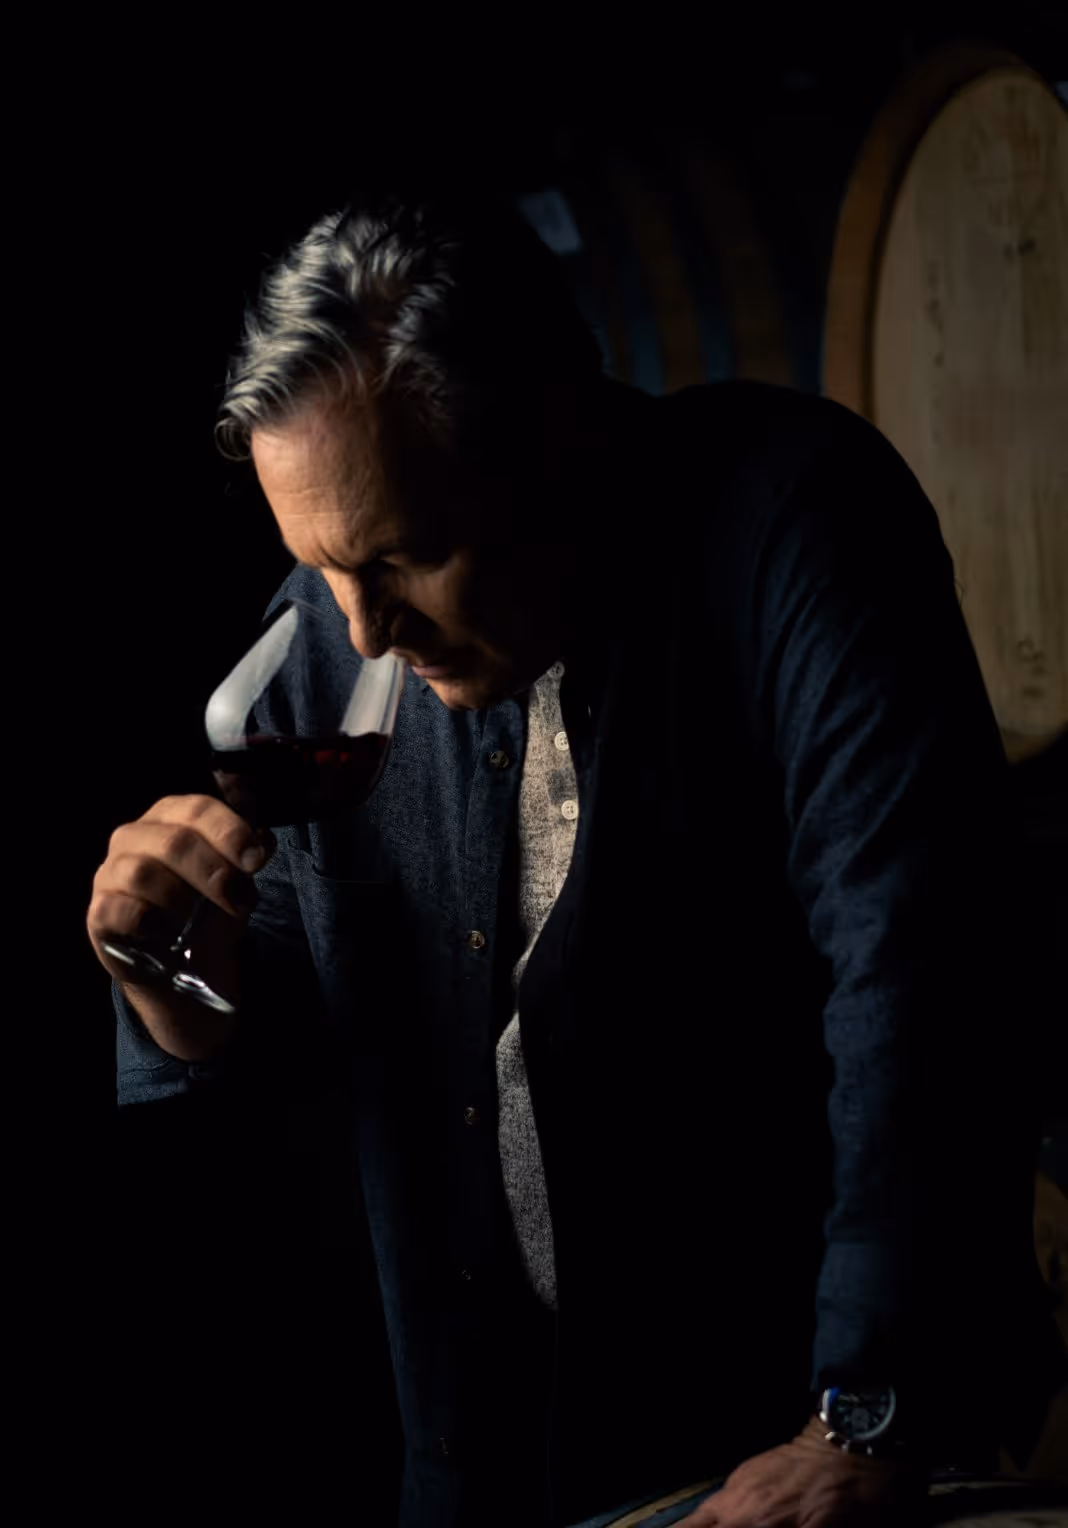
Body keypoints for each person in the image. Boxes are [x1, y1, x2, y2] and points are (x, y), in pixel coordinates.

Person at [92, 185, 1067, 1528]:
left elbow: (919, 958)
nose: (361, 631)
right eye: (320, 569)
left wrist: (867, 1412)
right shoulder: (331, 638)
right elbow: (299, 1005)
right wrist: (170, 982)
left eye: (409, 556)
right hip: (484, 1461)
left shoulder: (792, 523)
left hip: (783, 1447)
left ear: (551, 437)